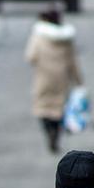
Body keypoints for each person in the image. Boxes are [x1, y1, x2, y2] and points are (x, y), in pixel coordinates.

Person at [25, 8, 83, 153]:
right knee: (59, 109)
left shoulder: (38, 37)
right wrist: (79, 81)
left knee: (43, 108)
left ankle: (48, 132)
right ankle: (56, 135)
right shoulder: (66, 39)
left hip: (44, 78)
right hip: (62, 79)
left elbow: (30, 57)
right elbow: (72, 61)